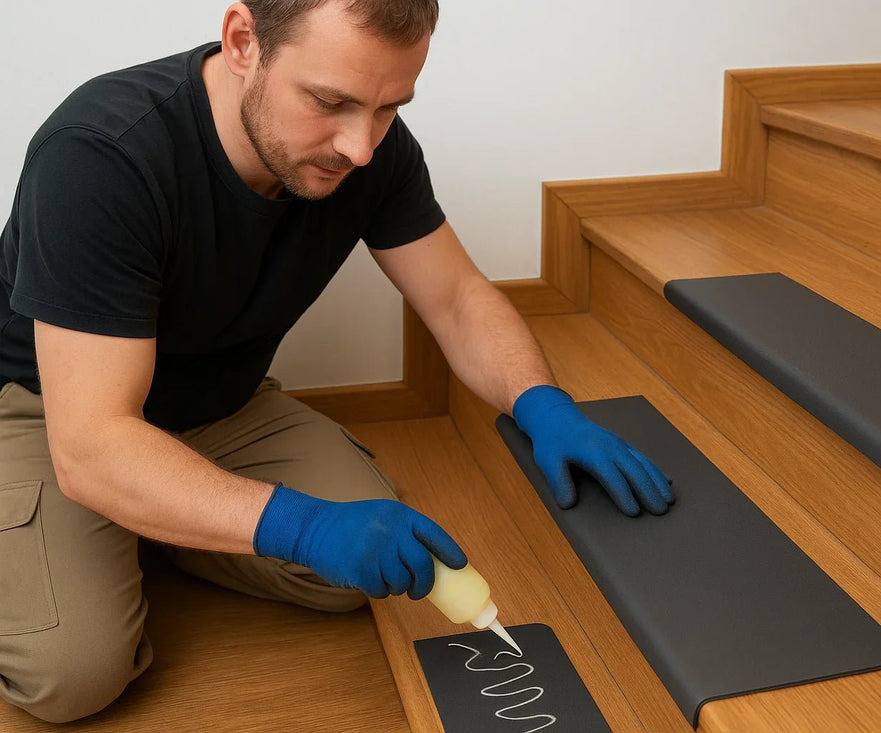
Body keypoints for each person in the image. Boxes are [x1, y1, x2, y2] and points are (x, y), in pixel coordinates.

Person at [0, 0, 674, 723]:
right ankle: (129, 520)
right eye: (330, 102)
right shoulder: (103, 154)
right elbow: (94, 441)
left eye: (388, 107)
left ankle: (158, 518)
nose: (358, 147)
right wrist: (304, 527)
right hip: (56, 414)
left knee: (368, 572)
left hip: (221, 406)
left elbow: (454, 296)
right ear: (242, 42)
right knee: (74, 673)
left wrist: (542, 403)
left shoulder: (372, 150)